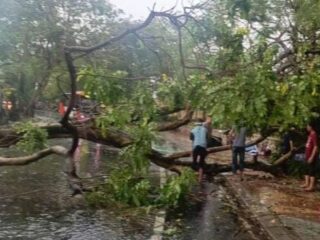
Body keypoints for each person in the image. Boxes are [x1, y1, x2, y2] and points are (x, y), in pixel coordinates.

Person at [301, 122, 318, 192]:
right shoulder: (310, 135)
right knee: (306, 169)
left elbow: (316, 147)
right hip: (307, 155)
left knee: (311, 170)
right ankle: (306, 183)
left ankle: (311, 186)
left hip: (311, 156)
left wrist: (312, 157)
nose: (306, 127)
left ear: (311, 127)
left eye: (308, 126)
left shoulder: (314, 134)